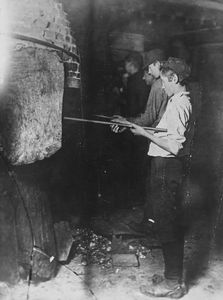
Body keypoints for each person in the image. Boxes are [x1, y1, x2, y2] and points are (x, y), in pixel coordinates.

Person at [123, 57, 193, 298]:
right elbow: (169, 133)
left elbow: (174, 147)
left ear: (174, 78)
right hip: (163, 166)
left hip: (168, 167)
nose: (162, 87)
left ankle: (173, 282)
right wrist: (145, 130)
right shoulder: (177, 100)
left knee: (168, 225)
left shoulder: (178, 104)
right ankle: (171, 276)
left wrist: (143, 132)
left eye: (164, 82)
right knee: (165, 222)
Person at [112, 49, 168, 226]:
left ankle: (151, 225)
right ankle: (152, 223)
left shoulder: (159, 85)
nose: (148, 73)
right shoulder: (167, 83)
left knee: (154, 183)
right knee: (157, 183)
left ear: (158, 64)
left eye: (150, 67)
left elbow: (148, 117)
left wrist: (126, 121)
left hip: (159, 140)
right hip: (164, 139)